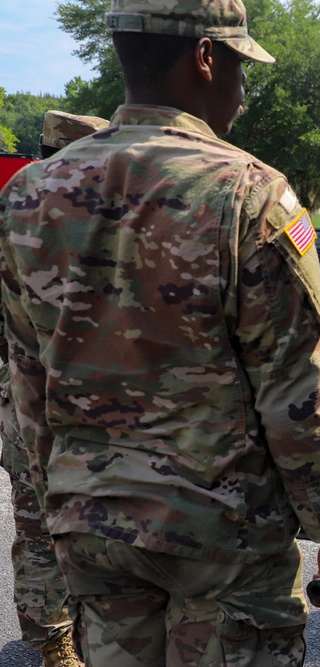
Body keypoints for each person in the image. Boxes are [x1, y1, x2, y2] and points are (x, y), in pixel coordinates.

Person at [0, 1, 320, 664]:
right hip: (220, 537)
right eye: (238, 67)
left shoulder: (29, 194)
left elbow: (30, 385)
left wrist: (63, 495)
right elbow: (297, 389)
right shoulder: (250, 194)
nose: (241, 89)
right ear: (205, 56)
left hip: (92, 528)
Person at [0, 110, 110, 667]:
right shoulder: (26, 219)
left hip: (69, 402)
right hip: (36, 400)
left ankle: (71, 629)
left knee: (69, 524)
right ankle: (55, 641)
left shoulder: (23, 212)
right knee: (45, 526)